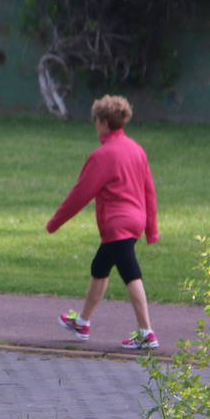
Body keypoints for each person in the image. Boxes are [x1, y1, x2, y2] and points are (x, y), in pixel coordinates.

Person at [45, 95, 160, 349]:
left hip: (116, 224)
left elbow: (80, 194)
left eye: (96, 121)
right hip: (134, 221)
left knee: (131, 274)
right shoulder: (136, 150)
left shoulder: (102, 156)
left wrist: (55, 222)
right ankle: (83, 322)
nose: (95, 125)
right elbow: (149, 190)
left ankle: (146, 332)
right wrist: (151, 229)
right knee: (100, 267)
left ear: (104, 122)